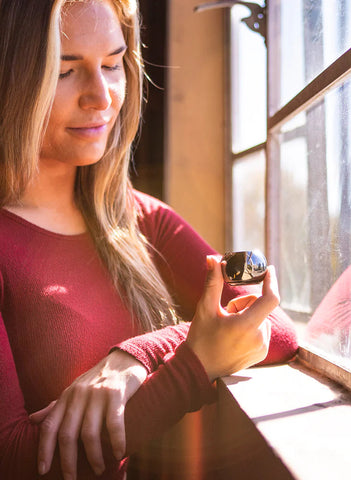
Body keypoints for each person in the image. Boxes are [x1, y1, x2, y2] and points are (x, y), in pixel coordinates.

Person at [0, 1, 298, 479]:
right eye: (65, 71)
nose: (101, 96)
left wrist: (137, 354)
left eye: (113, 65)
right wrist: (193, 364)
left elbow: (275, 326)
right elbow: (14, 460)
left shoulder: (141, 220)